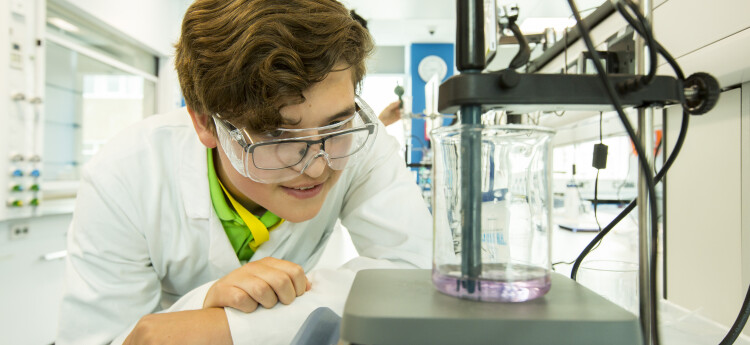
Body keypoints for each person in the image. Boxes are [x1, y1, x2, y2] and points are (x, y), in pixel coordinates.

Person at [56, 0, 432, 344]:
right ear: (206, 123)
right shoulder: (125, 174)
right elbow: (108, 338)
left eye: (336, 126)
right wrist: (206, 299)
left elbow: (417, 280)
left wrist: (229, 326)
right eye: (276, 135)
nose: (317, 166)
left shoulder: (358, 140)